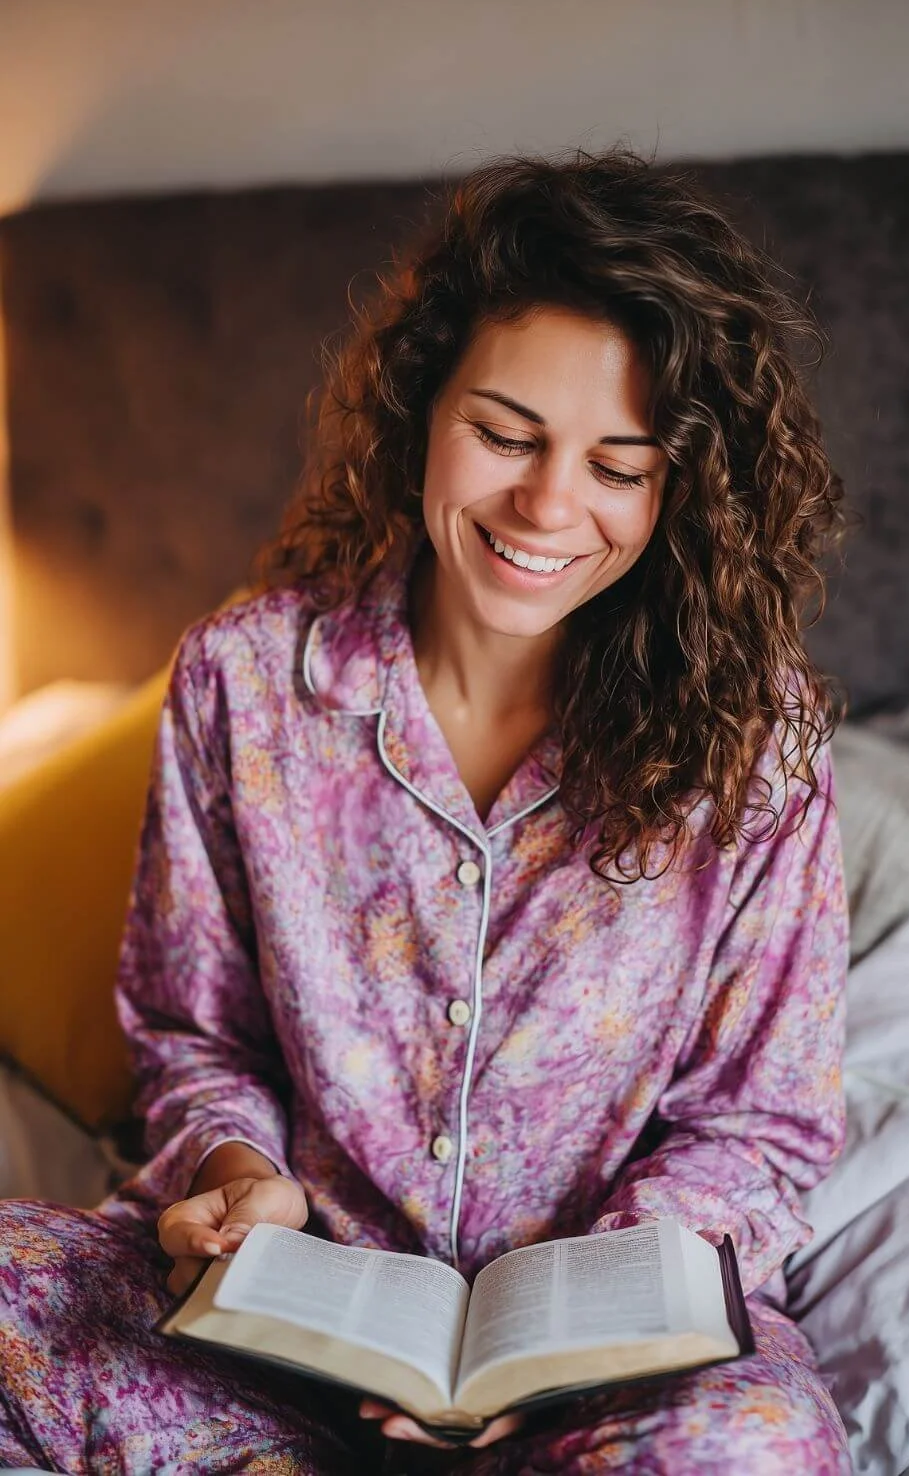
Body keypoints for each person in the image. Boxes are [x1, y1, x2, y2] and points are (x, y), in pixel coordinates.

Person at [0, 148, 851, 1474]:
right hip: (284, 1337)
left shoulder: (762, 744)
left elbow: (760, 1125)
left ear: (680, 488)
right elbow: (190, 1031)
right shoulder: (244, 682)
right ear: (420, 411)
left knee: (758, 1444)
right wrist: (238, 1180)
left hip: (609, 1377)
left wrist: (578, 1342)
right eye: (506, 434)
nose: (547, 504)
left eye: (619, 465)